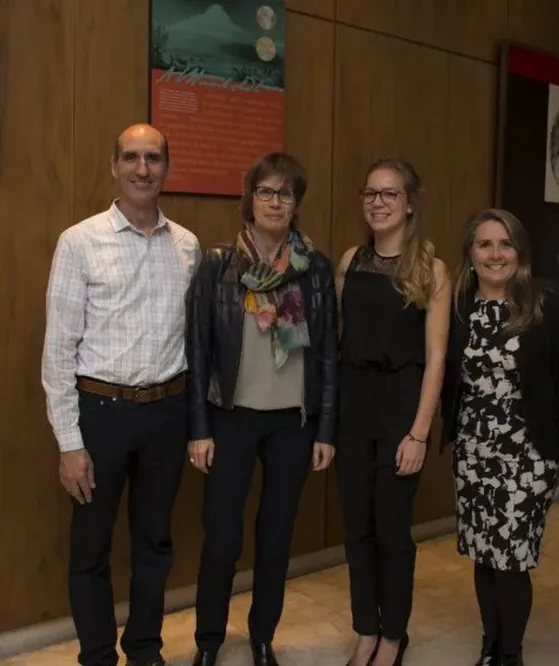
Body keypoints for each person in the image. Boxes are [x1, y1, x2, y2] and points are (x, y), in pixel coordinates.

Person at [41, 123, 201, 666]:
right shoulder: (79, 242)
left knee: (155, 544)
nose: (142, 168)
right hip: (99, 415)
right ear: (114, 166)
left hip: (167, 413)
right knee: (91, 549)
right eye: (131, 157)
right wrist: (69, 442)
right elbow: (58, 351)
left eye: (153, 157)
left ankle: (145, 648)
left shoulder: (187, 246)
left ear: (166, 167)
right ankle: (96, 657)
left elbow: (195, 342)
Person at [186, 152, 338, 666]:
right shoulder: (218, 264)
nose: (276, 202)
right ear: (249, 200)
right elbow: (198, 349)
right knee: (223, 541)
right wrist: (199, 429)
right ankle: (208, 642)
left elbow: (328, 354)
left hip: (293, 423)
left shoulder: (314, 267)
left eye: (286, 193)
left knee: (276, 539)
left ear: (297, 204)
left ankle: (263, 638)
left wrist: (325, 429)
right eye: (266, 192)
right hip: (230, 418)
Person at [335, 157, 451, 666]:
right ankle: (366, 627)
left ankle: (393, 634)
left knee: (391, 527)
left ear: (408, 203)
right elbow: (335, 342)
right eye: (370, 193)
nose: (378, 202)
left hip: (403, 405)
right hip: (353, 405)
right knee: (356, 523)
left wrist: (420, 433)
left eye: (389, 193)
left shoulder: (431, 269)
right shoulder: (349, 262)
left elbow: (438, 356)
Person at [440, 209, 559, 666]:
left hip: (526, 454)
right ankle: (489, 649)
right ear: (470, 254)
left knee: (511, 559)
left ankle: (510, 656)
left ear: (520, 252)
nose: (496, 254)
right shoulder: (458, 306)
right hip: (474, 451)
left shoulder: (546, 303)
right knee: (482, 554)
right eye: (485, 244)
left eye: (505, 244)